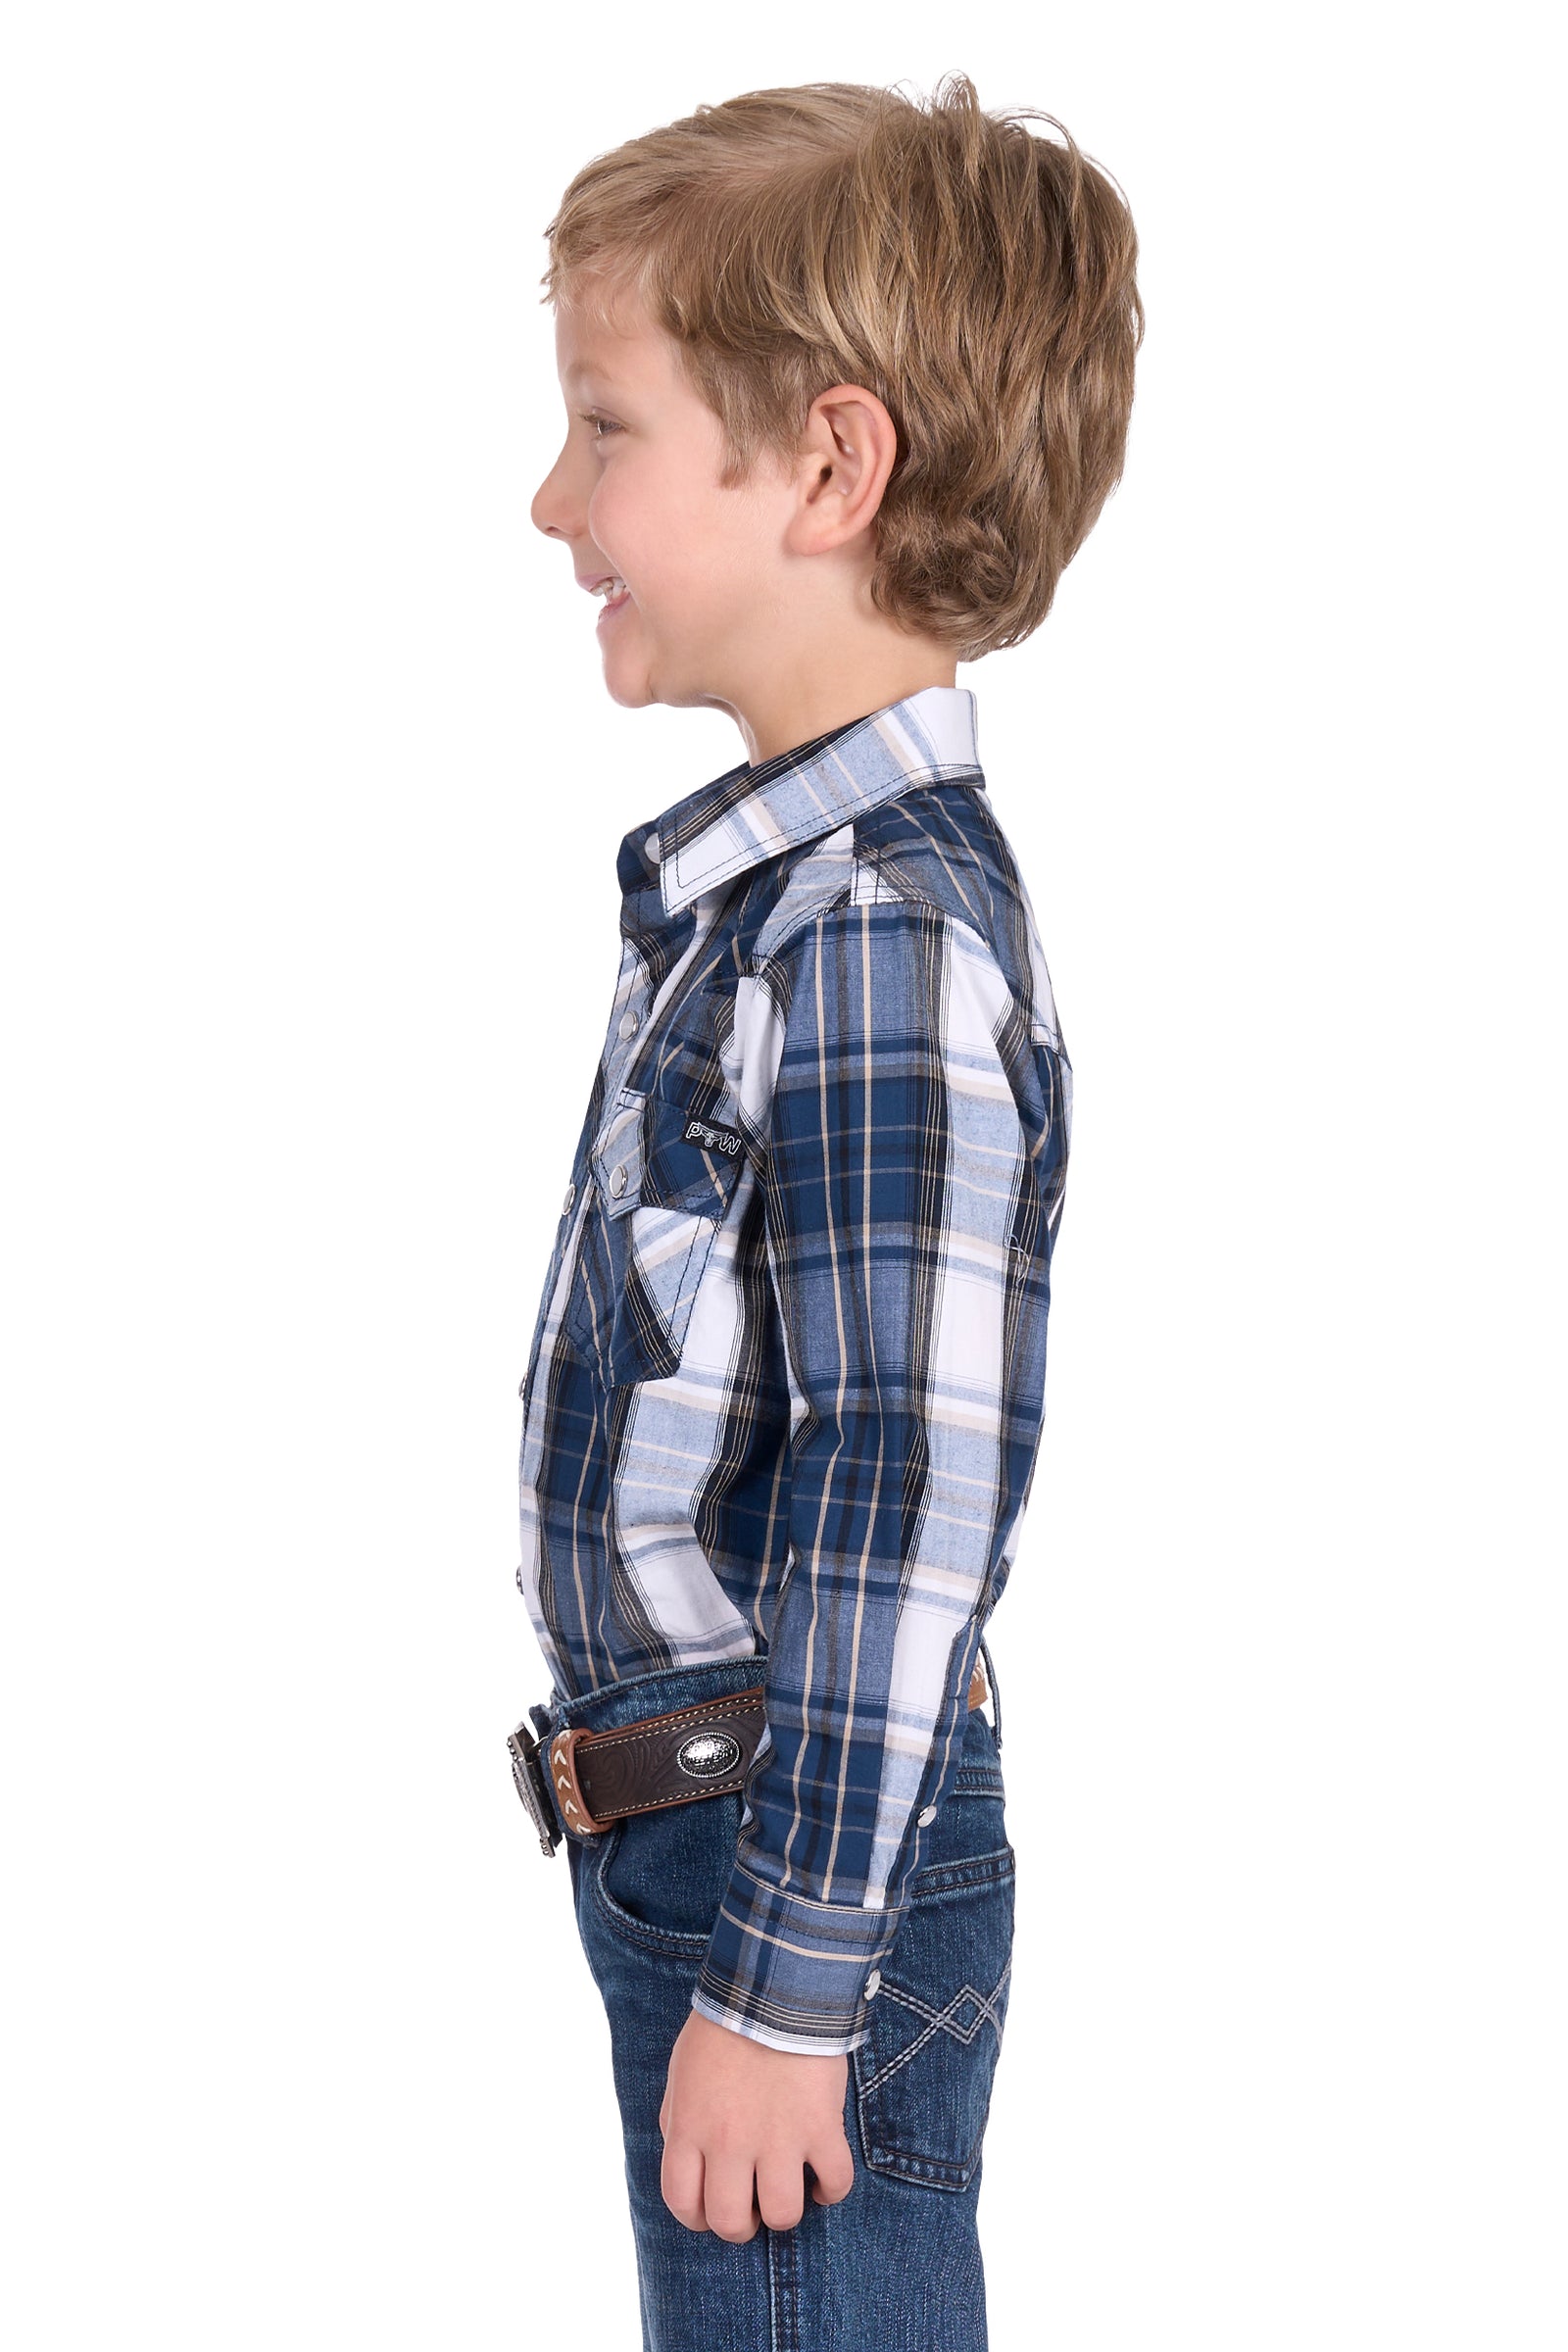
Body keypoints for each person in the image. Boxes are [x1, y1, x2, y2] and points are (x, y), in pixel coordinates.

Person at [508, 72, 1142, 2351]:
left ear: (826, 466)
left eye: (605, 430)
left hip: (794, 1866)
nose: (547, 497)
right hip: (714, 1843)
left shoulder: (872, 935)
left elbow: (896, 1489)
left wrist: (786, 1994)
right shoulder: (775, 903)